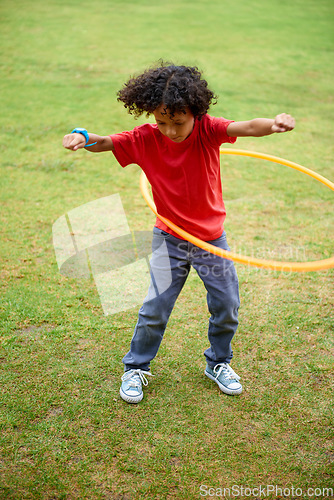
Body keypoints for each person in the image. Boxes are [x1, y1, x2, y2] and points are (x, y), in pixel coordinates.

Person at [63, 62, 295, 404]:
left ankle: (218, 363)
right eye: (161, 121)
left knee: (227, 305)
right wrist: (83, 137)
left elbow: (246, 126)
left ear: (195, 113)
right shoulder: (144, 138)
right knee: (155, 308)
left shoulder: (208, 130)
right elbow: (105, 143)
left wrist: (273, 125)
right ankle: (136, 367)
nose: (170, 130)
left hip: (211, 241)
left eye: (178, 121)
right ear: (151, 115)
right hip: (169, 240)